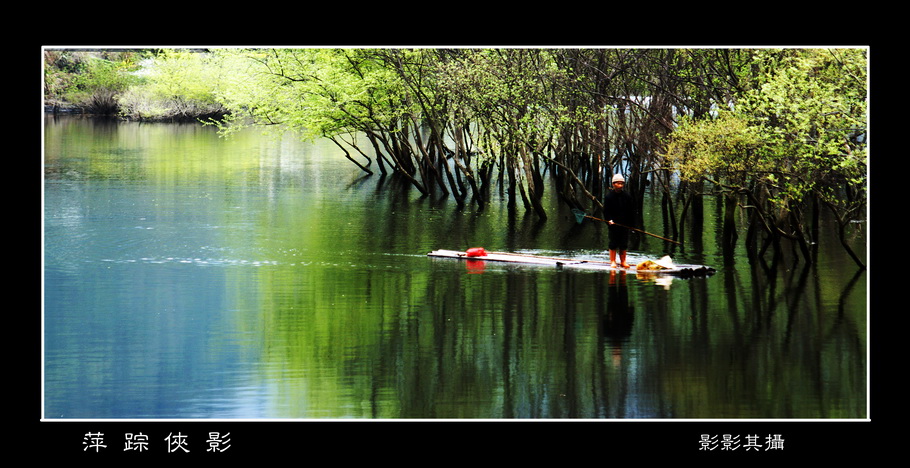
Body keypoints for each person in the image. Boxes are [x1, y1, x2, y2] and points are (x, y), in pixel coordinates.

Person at [603, 173, 635, 268]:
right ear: (613, 184)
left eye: (622, 183)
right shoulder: (609, 197)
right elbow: (606, 211)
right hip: (613, 224)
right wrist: (609, 220)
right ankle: (612, 261)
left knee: (623, 243)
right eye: (618, 183)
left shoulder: (627, 196)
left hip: (624, 223)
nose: (620, 185)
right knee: (613, 243)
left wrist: (631, 224)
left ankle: (623, 262)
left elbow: (631, 211)